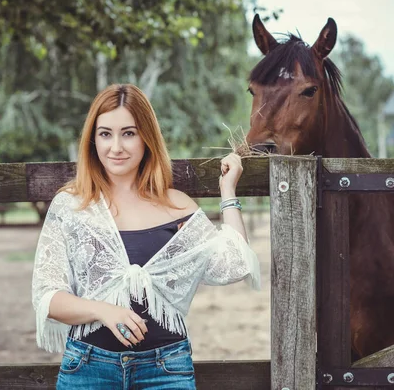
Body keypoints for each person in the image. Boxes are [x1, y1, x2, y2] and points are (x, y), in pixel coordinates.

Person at [31, 83, 261, 389]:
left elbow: (232, 263)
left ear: (146, 138)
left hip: (165, 371)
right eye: (105, 134)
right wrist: (103, 310)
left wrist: (228, 191)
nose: (116, 147)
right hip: (89, 369)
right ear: (92, 141)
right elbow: (48, 296)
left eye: (129, 133)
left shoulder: (176, 206)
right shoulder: (72, 206)